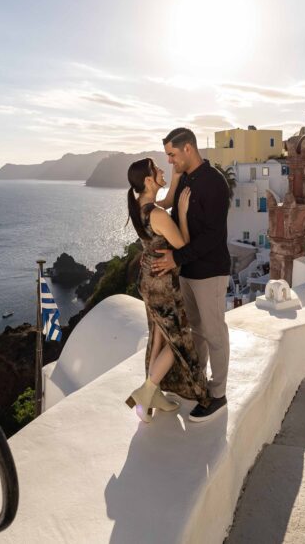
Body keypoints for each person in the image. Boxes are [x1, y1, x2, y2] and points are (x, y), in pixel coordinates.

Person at [150, 127, 231, 423]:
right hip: (187, 270)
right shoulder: (184, 177)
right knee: (196, 331)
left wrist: (176, 258)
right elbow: (167, 206)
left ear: (188, 149)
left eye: (172, 154)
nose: (170, 161)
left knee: (214, 333)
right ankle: (198, 385)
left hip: (210, 272)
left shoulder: (215, 183)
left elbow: (212, 236)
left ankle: (218, 395)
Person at [125, 158, 212, 423]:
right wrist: (182, 213)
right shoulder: (158, 214)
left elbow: (161, 208)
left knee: (159, 337)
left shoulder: (140, 205)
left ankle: (154, 397)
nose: (163, 169)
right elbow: (183, 244)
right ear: (149, 180)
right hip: (163, 285)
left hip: (148, 281)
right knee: (177, 342)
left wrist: (173, 180)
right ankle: (147, 390)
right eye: (157, 170)